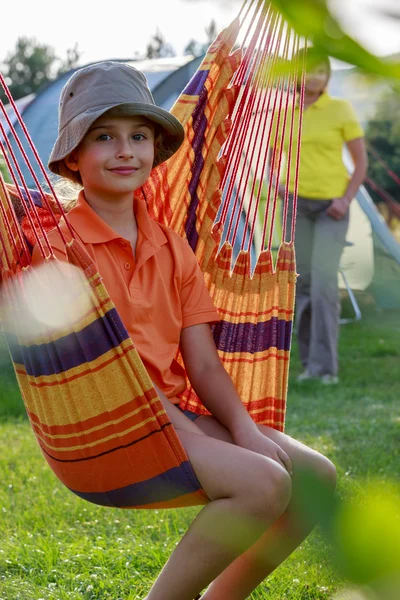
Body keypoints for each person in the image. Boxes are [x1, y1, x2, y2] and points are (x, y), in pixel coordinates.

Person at [32, 61, 337, 600]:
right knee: (263, 483)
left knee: (314, 479)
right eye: (104, 136)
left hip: (172, 418)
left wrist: (243, 430)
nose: (125, 149)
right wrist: (193, 435)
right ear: (74, 156)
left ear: (155, 149)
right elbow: (110, 368)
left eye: (139, 136)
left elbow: (201, 363)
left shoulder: (173, 248)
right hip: (103, 430)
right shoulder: (60, 248)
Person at [270, 48, 368, 385]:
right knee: (304, 283)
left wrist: (345, 199)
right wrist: (277, 183)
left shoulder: (340, 109)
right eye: (309, 71)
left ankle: (326, 368)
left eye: (321, 71)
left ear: (327, 76)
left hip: (332, 208)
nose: (315, 77)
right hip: (297, 207)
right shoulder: (283, 115)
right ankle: (310, 365)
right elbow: (271, 157)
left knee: (325, 284)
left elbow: (361, 164)